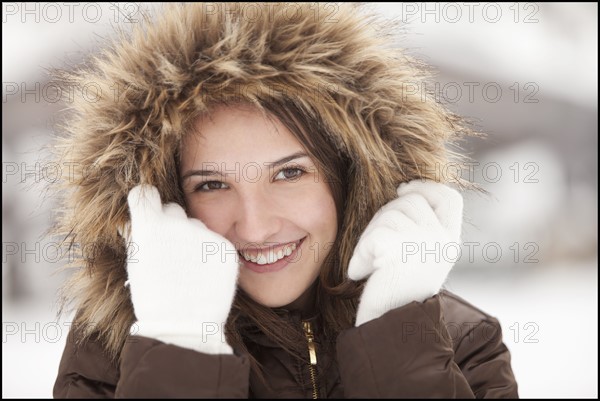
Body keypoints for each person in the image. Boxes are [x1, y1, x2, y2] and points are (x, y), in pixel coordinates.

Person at [51, 3, 518, 398]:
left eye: (289, 173)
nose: (254, 228)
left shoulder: (459, 341)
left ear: (353, 176)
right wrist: (177, 345)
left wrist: (398, 335)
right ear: (168, 200)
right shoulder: (112, 354)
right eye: (212, 184)